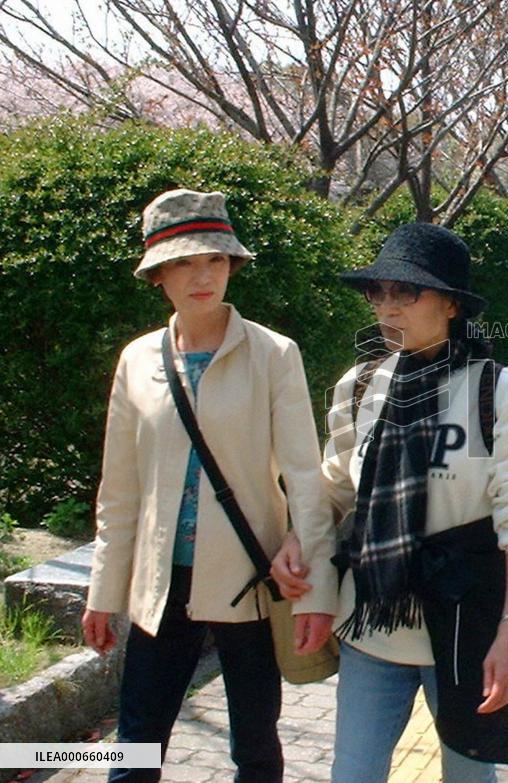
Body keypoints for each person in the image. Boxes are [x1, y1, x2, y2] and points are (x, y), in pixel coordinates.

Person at [270, 222, 508, 783]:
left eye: (407, 293)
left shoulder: (497, 392)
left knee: (467, 777)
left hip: (463, 627)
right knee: (352, 774)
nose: (387, 308)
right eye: (379, 293)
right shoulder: (359, 386)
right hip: (372, 623)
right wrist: (294, 538)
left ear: (451, 305)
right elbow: (334, 487)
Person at [81, 189, 333, 782]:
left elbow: (303, 472)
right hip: (160, 582)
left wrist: (315, 586)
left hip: (249, 577)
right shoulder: (138, 360)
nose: (203, 275)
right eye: (185, 262)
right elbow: (119, 490)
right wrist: (103, 589)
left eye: (216, 260)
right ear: (158, 275)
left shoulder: (273, 354)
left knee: (255, 743)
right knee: (137, 742)